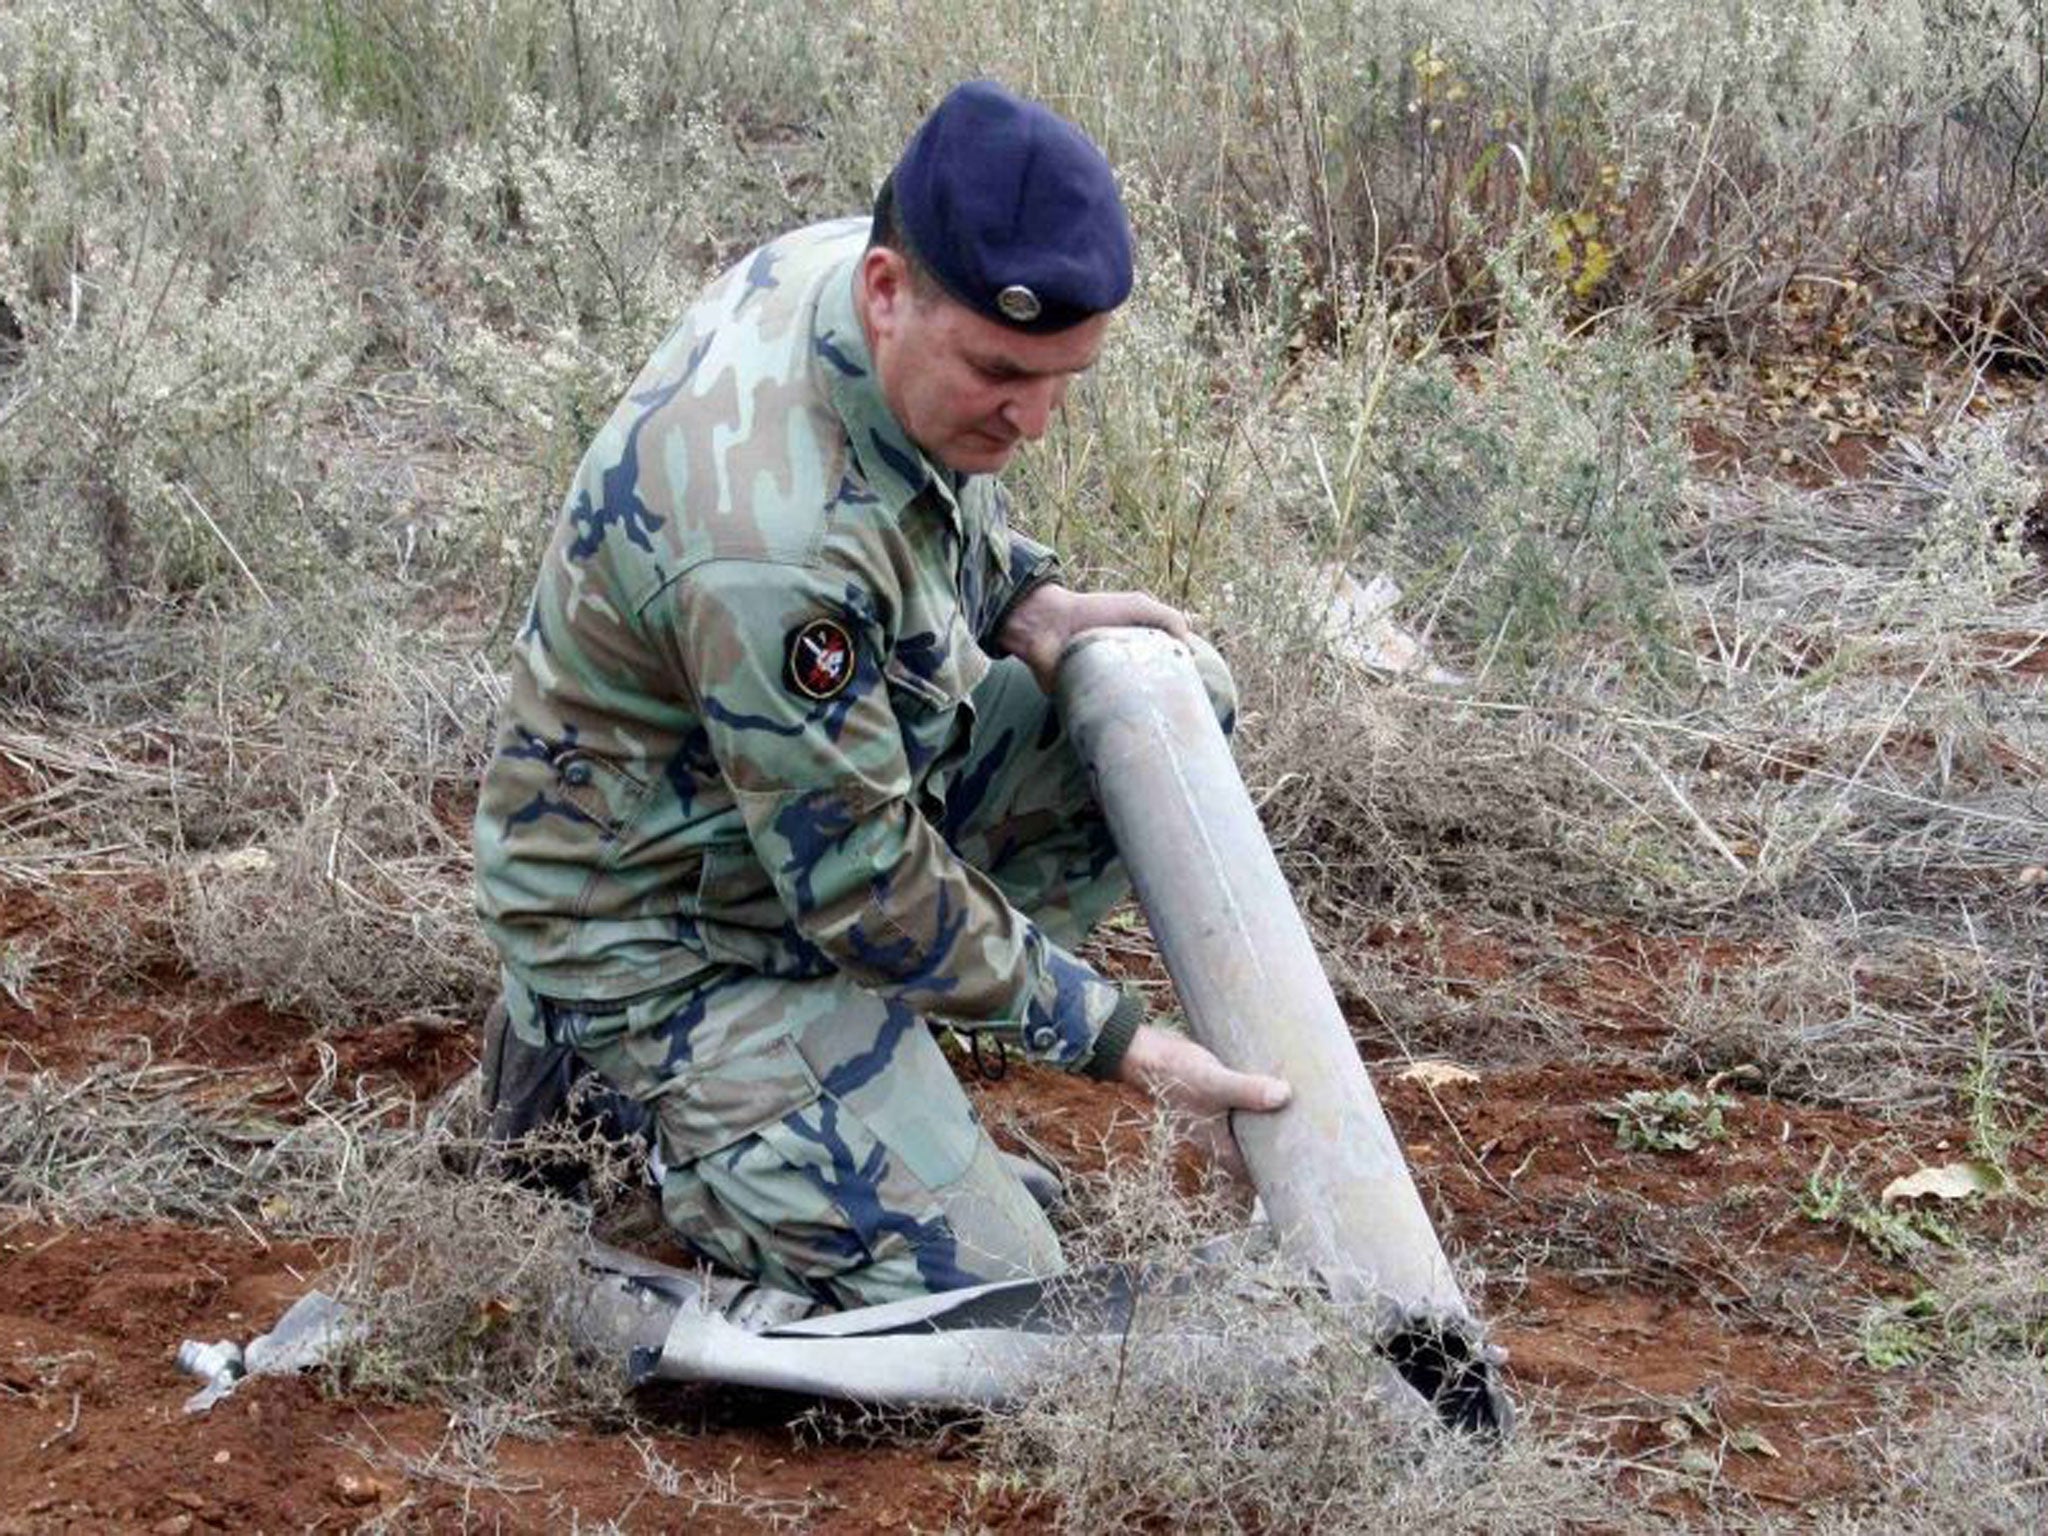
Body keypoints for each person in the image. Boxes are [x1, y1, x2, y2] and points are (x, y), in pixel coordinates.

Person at [472, 80, 1289, 1309]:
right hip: (661, 933)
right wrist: (1125, 1045)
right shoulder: (768, 545)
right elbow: (867, 890)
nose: (1035, 419)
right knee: (1000, 1286)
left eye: (1066, 376)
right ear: (886, 293)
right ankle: (625, 1095)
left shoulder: (870, 290)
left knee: (1153, 706)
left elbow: (925, 502)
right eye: (1004, 373)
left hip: (780, 832)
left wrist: (1029, 603)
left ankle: (856, 1077)